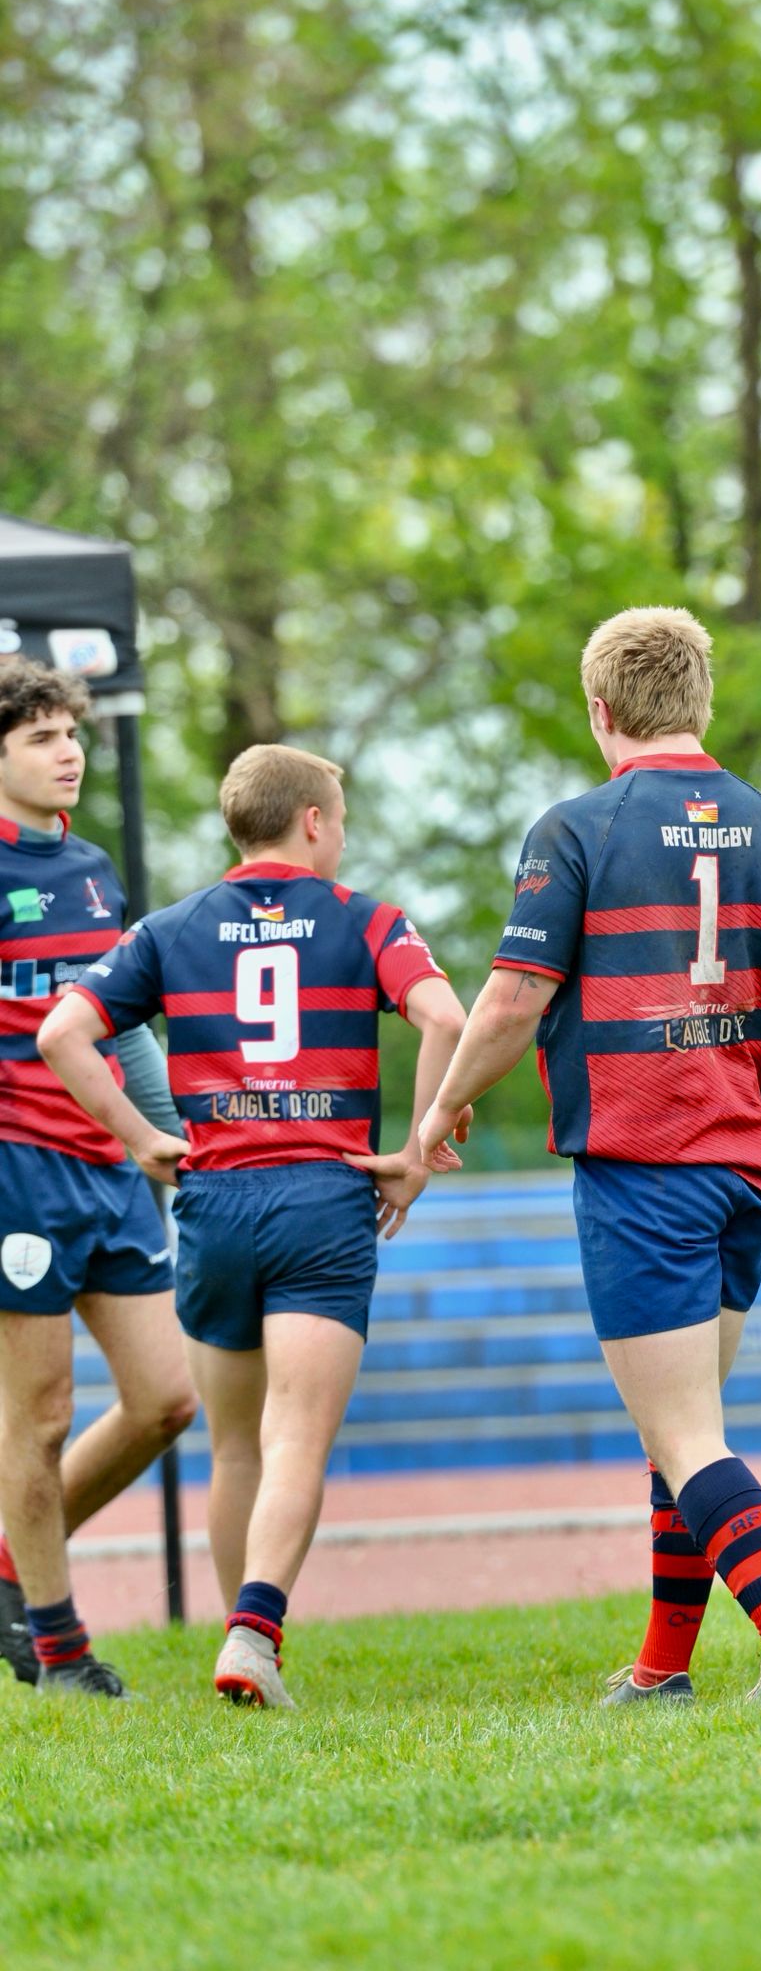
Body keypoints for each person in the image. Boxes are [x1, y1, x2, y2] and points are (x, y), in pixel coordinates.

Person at [417, 607, 761, 1706]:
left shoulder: (578, 829)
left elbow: (514, 1000)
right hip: (744, 1174)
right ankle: (664, 1668)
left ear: (600, 710)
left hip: (643, 1168)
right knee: (682, 1432)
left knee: (684, 1434)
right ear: (701, 701)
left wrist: (441, 1104)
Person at [40, 744, 466, 1707]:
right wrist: (416, 1148)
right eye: (339, 820)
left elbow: (62, 1032)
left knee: (236, 1446)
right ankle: (254, 1637)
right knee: (297, 1439)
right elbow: (445, 1017)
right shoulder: (368, 919)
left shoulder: (168, 928)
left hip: (216, 1201)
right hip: (322, 1198)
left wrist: (143, 1140)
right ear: (313, 821)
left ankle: (242, 1642)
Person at [0, 658, 196, 1700]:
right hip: (17, 1173)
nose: (68, 751)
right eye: (40, 737)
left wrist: (166, 1136)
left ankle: (8, 1570)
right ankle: (60, 1648)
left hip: (110, 1165)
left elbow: (118, 1027)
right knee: (37, 1420)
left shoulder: (92, 870)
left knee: (166, 1399)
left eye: (70, 732)